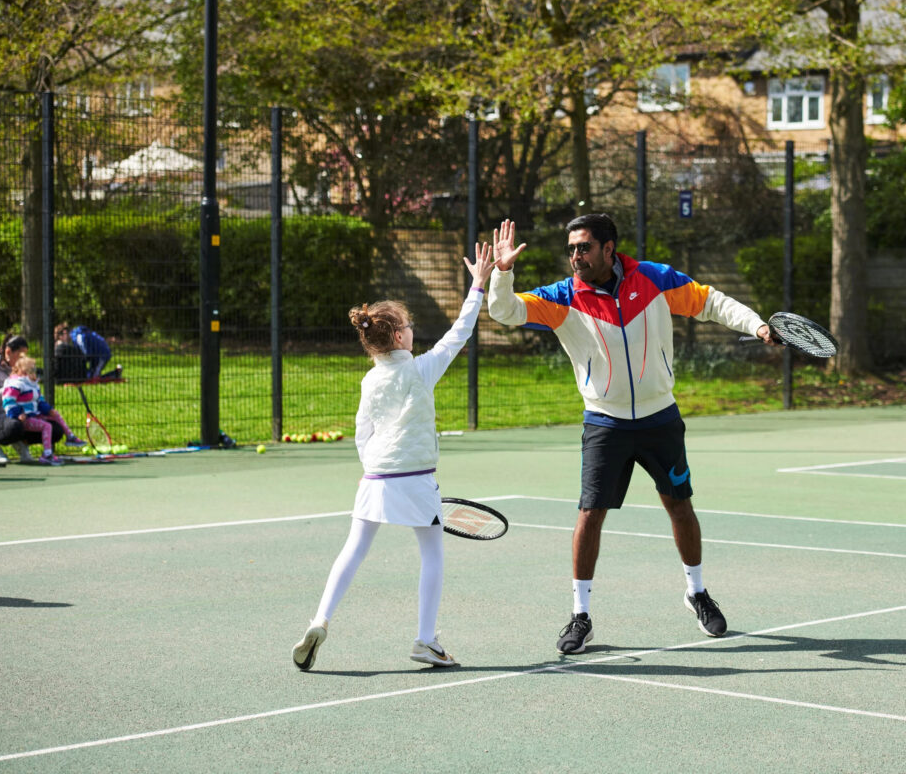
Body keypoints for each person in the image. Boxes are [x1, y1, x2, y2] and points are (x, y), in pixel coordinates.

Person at [488, 214, 773, 654]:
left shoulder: (654, 280)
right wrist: (503, 273)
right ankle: (580, 615)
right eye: (571, 249)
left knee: (680, 506)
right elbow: (504, 312)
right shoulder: (563, 296)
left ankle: (697, 593)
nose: (575, 256)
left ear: (609, 248)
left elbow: (712, 302)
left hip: (661, 418)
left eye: (583, 247)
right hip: (604, 422)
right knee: (590, 514)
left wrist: (757, 325)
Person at [291, 242, 495, 672]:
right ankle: (425, 640)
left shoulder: (370, 380)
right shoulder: (420, 369)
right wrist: (478, 283)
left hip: (374, 479)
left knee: (353, 549)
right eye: (408, 324)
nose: (412, 328)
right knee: (433, 554)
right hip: (416, 478)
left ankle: (319, 620)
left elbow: (362, 432)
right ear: (399, 337)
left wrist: (374, 468)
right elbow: (460, 331)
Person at [0, 334, 64, 465]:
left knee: (55, 428)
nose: (24, 359)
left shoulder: (21, 370)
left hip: (24, 416)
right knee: (15, 426)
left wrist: (45, 408)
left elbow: (32, 396)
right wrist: (10, 388)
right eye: (21, 355)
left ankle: (22, 443)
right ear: (8, 352)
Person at [1, 356, 87, 465]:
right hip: (24, 419)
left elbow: (40, 400)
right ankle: (47, 454)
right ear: (23, 371)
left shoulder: (33, 384)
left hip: (34, 415)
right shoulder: (15, 384)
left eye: (34, 369)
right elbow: (8, 402)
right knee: (47, 426)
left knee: (55, 415)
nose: (34, 372)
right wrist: (17, 414)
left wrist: (48, 410)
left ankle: (70, 437)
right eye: (31, 370)